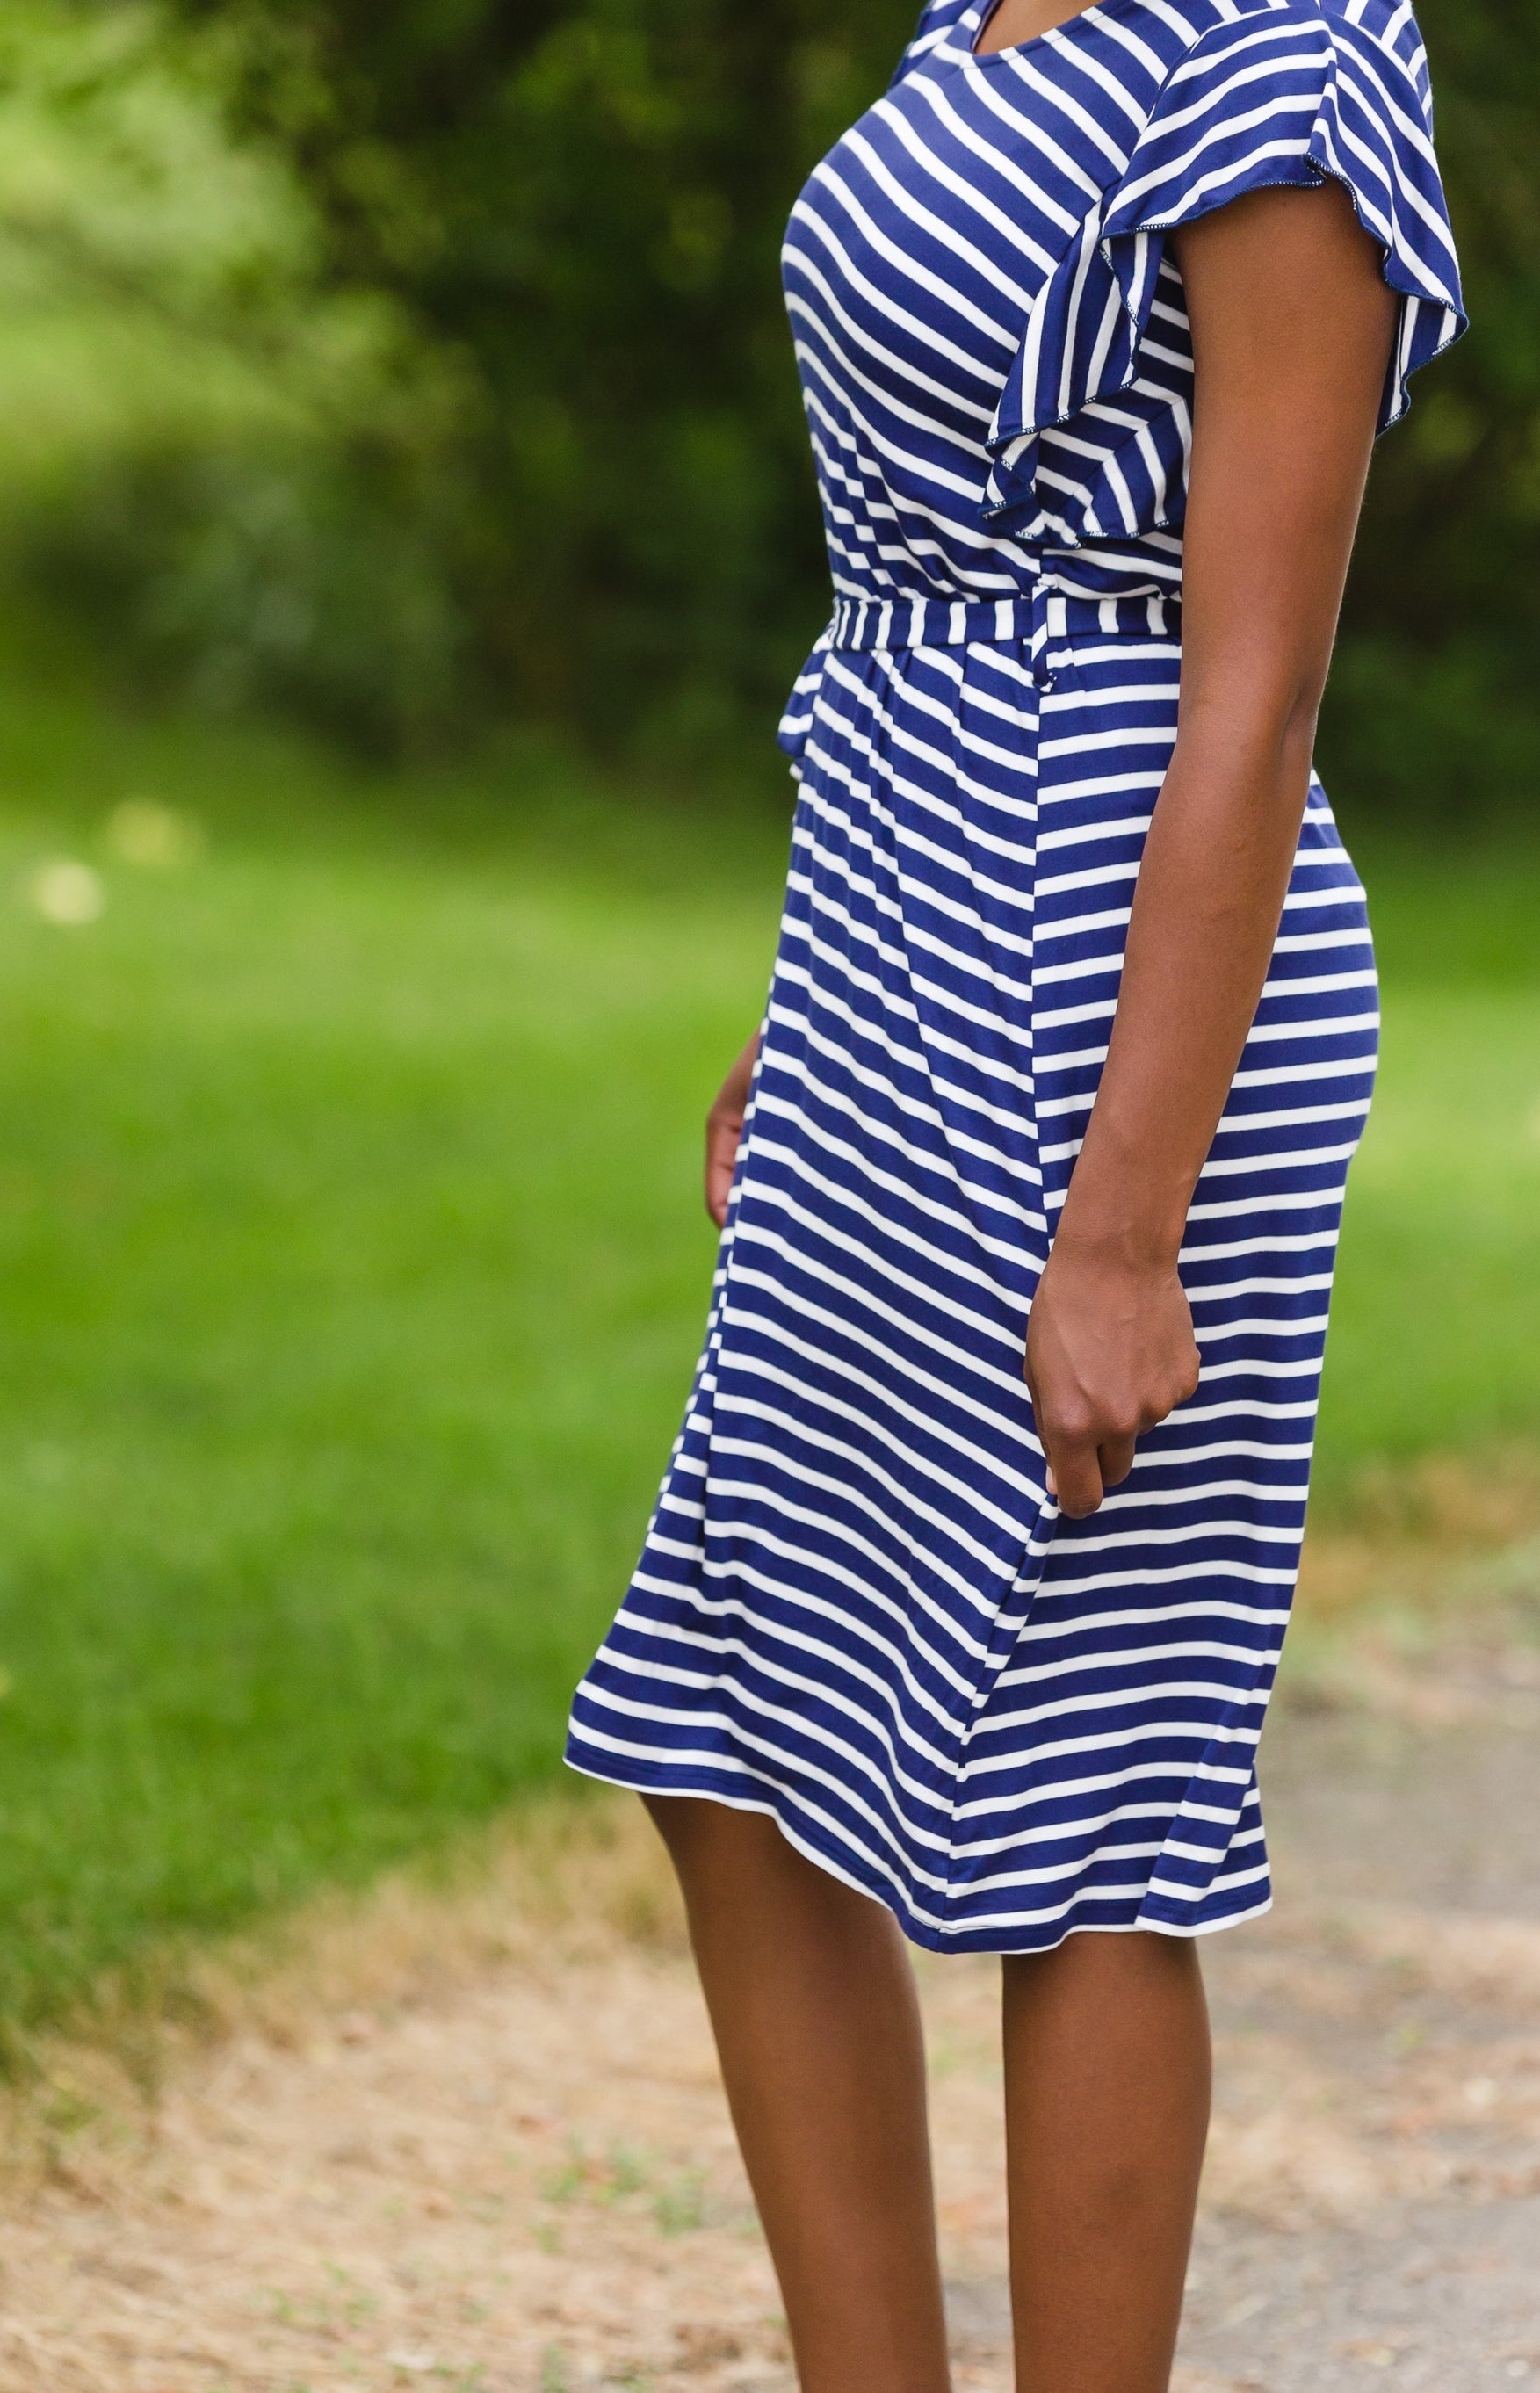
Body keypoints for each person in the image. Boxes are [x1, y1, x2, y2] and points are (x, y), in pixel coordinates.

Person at [567, 0, 1464, 2383]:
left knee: (1090, 1807)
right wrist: (817, 1001)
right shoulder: (984, 24)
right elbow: (903, 599)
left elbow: (1248, 686)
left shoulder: (1281, 55)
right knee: (725, 1748)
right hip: (901, 928)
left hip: (1114, 976)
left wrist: (1123, 1224)